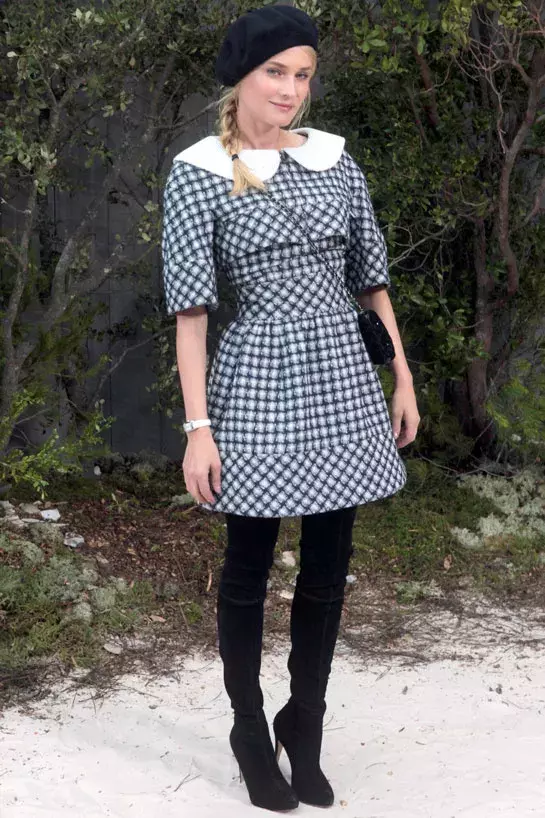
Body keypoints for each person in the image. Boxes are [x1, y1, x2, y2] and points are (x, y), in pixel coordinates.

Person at [161, 4, 420, 811]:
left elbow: (370, 281)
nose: (290, 89)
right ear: (240, 76)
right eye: (275, 71)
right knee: (247, 568)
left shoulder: (335, 162)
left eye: (302, 75)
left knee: (327, 570)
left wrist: (402, 378)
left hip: (342, 376)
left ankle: (303, 721)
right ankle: (248, 728)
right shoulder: (199, 171)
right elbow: (191, 316)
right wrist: (198, 429)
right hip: (257, 381)